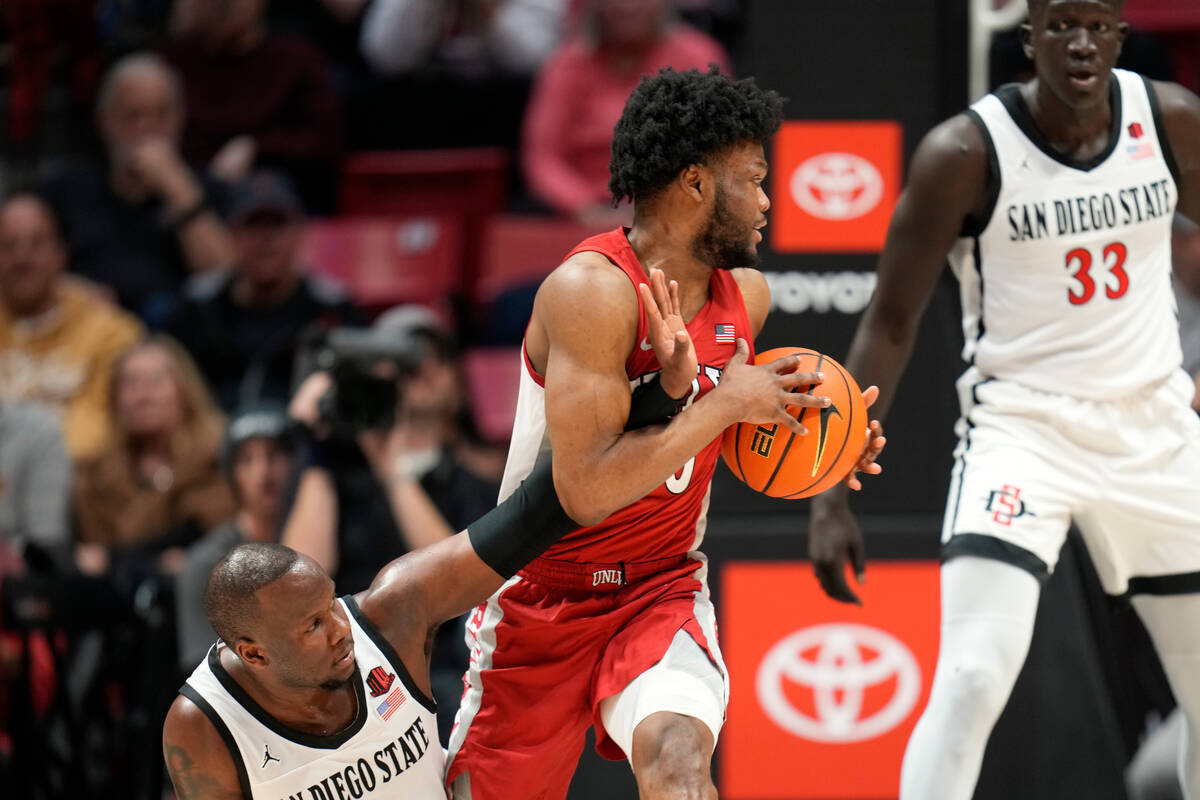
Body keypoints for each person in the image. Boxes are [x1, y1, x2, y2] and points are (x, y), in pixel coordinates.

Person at [159, 255, 809, 798]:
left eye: (331, 606)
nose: (340, 629)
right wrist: (314, 448)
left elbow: (544, 509)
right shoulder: (205, 729)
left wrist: (676, 397)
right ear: (254, 656)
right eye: (313, 626)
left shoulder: (391, 611)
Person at [446, 66, 884, 800]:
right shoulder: (590, 292)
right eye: (753, 178)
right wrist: (720, 406)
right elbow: (584, 490)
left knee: (681, 759)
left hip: (659, 589)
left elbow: (733, 430)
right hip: (542, 599)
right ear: (695, 184)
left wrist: (824, 445)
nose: (769, 201)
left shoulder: (747, 295)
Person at [806, 1, 1200, 797]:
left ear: (1121, 37)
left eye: (1097, 24)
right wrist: (828, 491)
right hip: (1023, 434)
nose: (1080, 42)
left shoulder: (1174, 122)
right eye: (1060, 25)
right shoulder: (963, 152)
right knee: (973, 676)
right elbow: (890, 321)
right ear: (1029, 40)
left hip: (1155, 431)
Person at [41, 52, 234, 327]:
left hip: (184, 343)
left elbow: (225, 280)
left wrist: (178, 189)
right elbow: (30, 272)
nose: (146, 129)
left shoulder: (208, 189)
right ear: (104, 120)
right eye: (132, 116)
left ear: (180, 118)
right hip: (88, 334)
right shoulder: (64, 192)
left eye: (160, 115)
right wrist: (74, 293)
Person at [164, 171, 364, 412]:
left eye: (277, 225)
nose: (266, 240)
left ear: (299, 233)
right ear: (232, 235)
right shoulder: (198, 308)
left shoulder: (333, 309)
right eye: (253, 226)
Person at [521, 0, 730, 223]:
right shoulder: (567, 64)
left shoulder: (697, 56)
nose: (626, 6)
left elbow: (716, 150)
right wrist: (584, 208)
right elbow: (543, 158)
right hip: (581, 217)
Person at [73, 336, 234, 579]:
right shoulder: (96, 474)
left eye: (156, 380)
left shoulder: (217, 456)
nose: (143, 394)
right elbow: (92, 557)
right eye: (130, 383)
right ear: (115, 400)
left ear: (184, 389)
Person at [0, 192, 144, 461]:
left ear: (60, 254)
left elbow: (102, 432)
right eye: (9, 245)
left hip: (80, 486)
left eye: (36, 243)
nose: (22, 258)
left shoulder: (110, 332)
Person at [163, 0, 342, 212]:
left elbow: (326, 142)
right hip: (187, 203)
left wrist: (258, 148)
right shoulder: (170, 65)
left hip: (281, 208)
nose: (223, 5)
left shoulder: (297, 60)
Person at [175, 402, 296, 670]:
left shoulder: (327, 542)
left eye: (274, 455)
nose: (264, 473)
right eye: (247, 460)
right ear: (232, 476)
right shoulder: (206, 565)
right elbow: (205, 672)